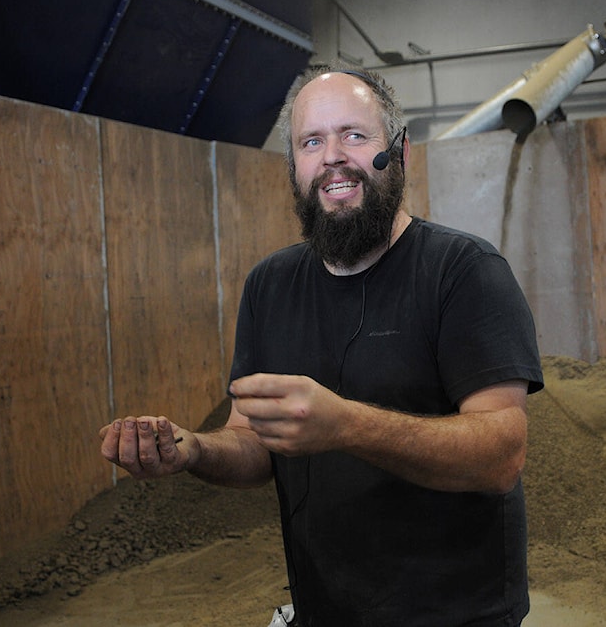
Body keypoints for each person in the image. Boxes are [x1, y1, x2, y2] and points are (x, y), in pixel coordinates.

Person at [99, 63, 544, 626]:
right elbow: (253, 443)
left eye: (354, 135)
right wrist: (191, 450)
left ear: (399, 152)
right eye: (312, 142)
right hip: (327, 610)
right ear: (295, 168)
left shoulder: (465, 272)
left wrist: (346, 425)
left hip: (458, 615)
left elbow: (503, 454)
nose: (332, 156)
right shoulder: (269, 285)